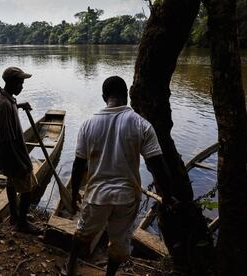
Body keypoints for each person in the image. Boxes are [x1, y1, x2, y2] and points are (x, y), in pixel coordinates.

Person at [64, 76, 174, 275]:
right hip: (127, 198)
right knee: (119, 242)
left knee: (82, 233)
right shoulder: (142, 125)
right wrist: (167, 196)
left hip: (96, 196)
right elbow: (157, 165)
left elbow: (78, 165)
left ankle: (70, 268)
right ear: (126, 96)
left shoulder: (87, 124)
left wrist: (73, 196)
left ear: (104, 96)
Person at [0, 66, 42, 235]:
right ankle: (22, 223)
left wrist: (19, 105)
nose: (22, 86)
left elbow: (11, 105)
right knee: (27, 187)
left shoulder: (6, 98)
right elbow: (7, 140)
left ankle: (14, 216)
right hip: (13, 155)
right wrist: (22, 162)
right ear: (12, 83)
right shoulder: (4, 105)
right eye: (20, 83)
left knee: (12, 183)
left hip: (10, 156)